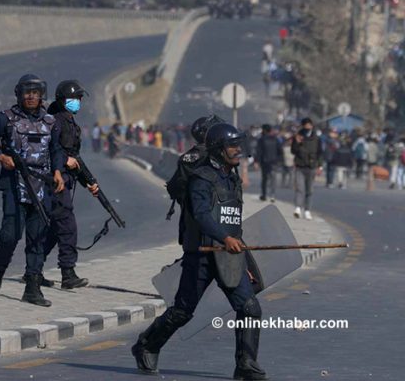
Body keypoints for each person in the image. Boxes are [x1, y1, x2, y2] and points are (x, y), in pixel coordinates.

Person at [131, 123, 267, 380]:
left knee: (250, 307)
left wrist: (245, 260)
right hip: (202, 255)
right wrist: (224, 237)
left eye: (240, 145)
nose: (239, 150)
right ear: (218, 149)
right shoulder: (201, 178)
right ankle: (146, 345)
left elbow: (233, 224)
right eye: (232, 146)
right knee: (183, 311)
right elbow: (201, 214)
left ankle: (246, 365)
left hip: (228, 254)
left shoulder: (233, 178)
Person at [0, 74, 65, 307]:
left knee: (37, 237)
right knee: (10, 235)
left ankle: (32, 288)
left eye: (36, 92)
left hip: (42, 187)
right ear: (19, 93)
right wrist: (0, 156)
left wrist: (57, 172)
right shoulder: (6, 119)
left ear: (42, 94)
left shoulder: (50, 122)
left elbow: (57, 150)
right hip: (15, 185)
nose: (31, 96)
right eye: (27, 91)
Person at [43, 80, 99, 289]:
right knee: (67, 226)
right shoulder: (57, 122)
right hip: (55, 180)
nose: (80, 102)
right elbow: (52, 150)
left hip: (65, 179)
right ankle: (68, 273)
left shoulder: (68, 121)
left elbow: (75, 158)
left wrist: (90, 182)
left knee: (54, 230)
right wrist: (65, 161)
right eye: (77, 98)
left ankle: (34, 269)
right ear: (65, 100)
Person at [291, 117, 322, 220]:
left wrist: (320, 166)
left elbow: (320, 153)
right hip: (300, 166)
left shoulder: (316, 138)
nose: (308, 127)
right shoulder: (298, 136)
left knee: (309, 190)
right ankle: (298, 208)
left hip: (312, 166)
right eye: (306, 125)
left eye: (309, 125)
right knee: (300, 188)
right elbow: (293, 151)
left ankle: (307, 210)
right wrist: (297, 142)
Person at [255, 124, 282, 203]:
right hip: (274, 162)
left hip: (265, 162)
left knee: (265, 179)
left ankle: (264, 195)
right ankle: (272, 195)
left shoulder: (261, 139)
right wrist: (278, 160)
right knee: (273, 179)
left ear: (264, 130)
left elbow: (259, 152)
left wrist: (257, 161)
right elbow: (280, 151)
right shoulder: (275, 139)